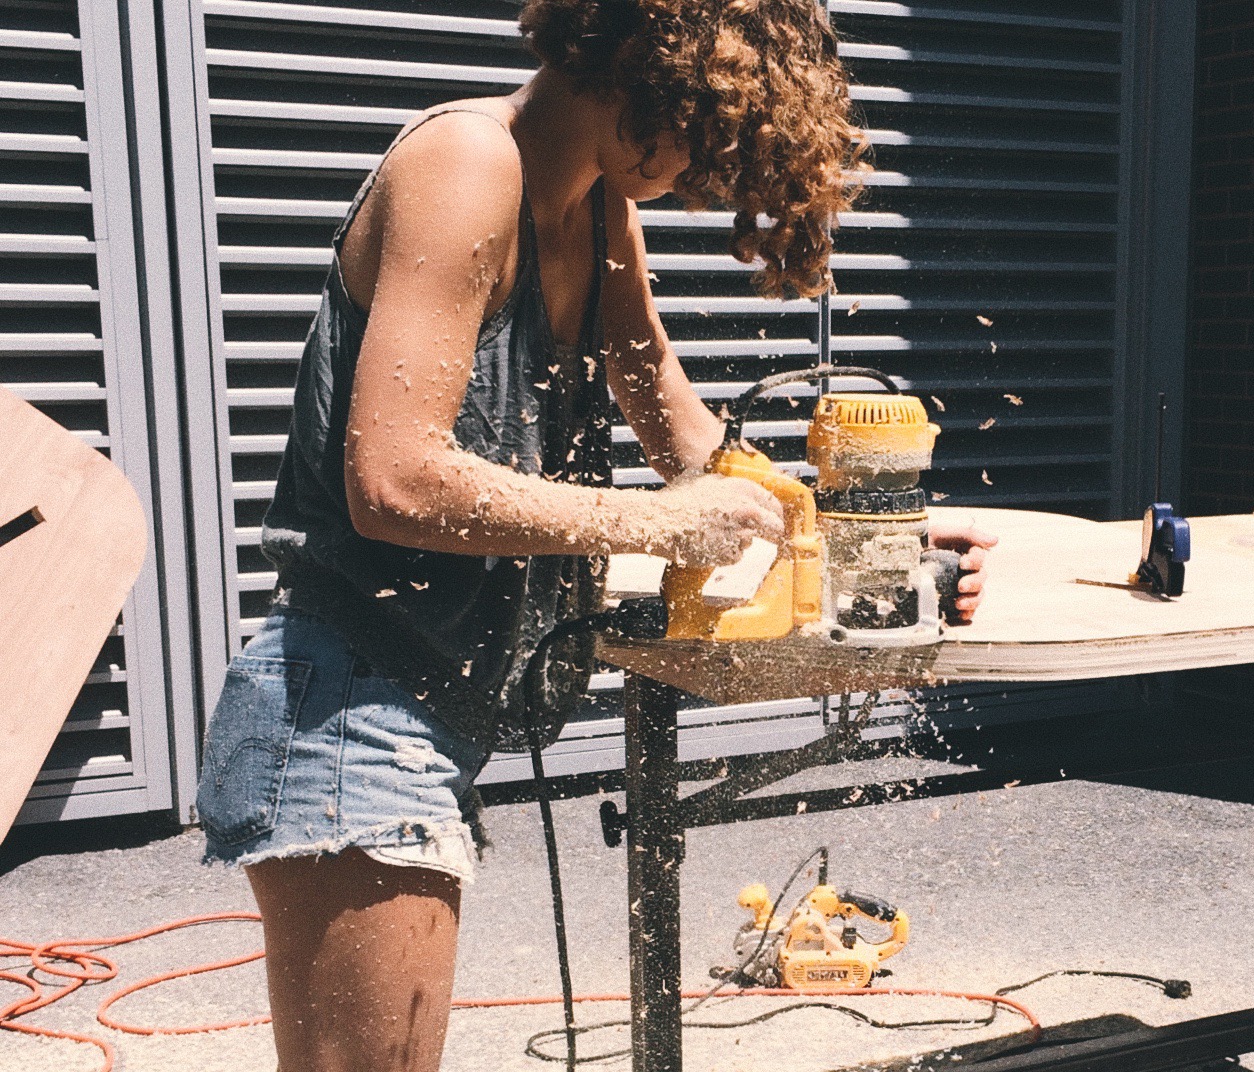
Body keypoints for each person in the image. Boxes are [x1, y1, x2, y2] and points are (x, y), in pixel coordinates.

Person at [194, 1, 996, 1069]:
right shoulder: (466, 165)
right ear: (657, 68)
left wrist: (870, 532)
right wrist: (658, 525)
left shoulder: (601, 208)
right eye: (707, 133)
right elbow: (391, 476)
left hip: (409, 714)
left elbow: (676, 428)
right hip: (344, 709)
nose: (701, 168)